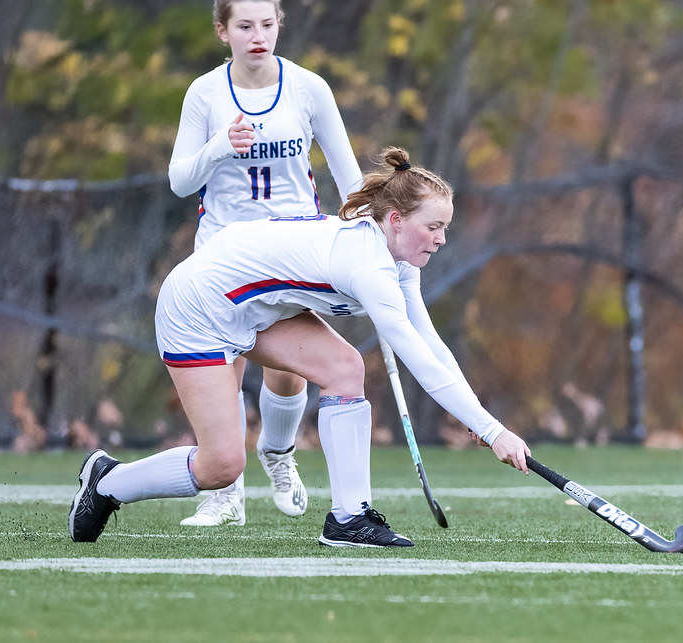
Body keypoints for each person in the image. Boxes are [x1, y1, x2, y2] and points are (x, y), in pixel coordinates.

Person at [69, 147, 532, 546]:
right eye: (434, 226)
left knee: (345, 369)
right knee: (221, 466)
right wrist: (493, 432)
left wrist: (478, 418)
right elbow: (417, 358)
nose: (442, 239)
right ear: (396, 220)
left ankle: (349, 519)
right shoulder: (368, 265)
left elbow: (431, 344)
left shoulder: (399, 261)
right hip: (198, 307)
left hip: (254, 308)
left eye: (445, 227)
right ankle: (108, 482)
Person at [167, 0, 364, 526]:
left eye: (268, 25)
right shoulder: (205, 93)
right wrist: (218, 148)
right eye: (245, 26)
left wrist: (369, 231)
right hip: (224, 255)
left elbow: (350, 179)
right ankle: (225, 494)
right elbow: (180, 181)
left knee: (287, 373)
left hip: (292, 250)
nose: (258, 36)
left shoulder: (308, 88)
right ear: (222, 31)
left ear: (279, 25)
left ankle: (277, 453)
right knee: (224, 367)